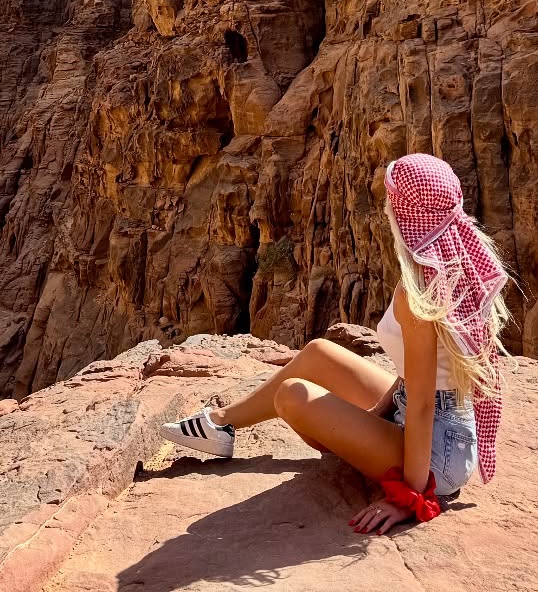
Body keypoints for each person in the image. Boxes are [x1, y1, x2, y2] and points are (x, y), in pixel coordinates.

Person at [159, 152, 511, 534]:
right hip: (429, 416)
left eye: (390, 199)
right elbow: (418, 376)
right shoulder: (450, 262)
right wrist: (376, 413)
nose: (385, 208)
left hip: (436, 455)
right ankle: (220, 424)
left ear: (406, 213)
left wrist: (409, 497)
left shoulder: (421, 293)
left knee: (292, 395)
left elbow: (425, 404)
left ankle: (354, 445)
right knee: (319, 354)